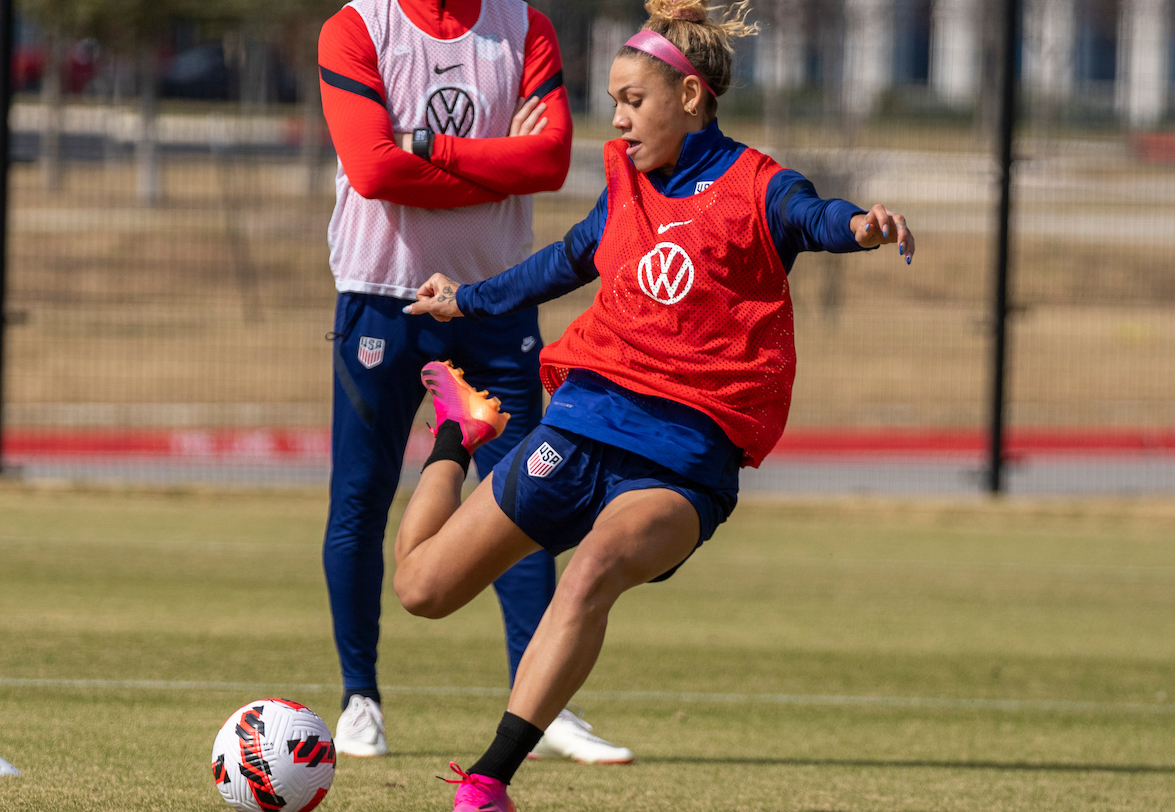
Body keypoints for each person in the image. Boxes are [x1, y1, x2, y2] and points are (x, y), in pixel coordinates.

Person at [393, 0, 917, 808]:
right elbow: (564, 262)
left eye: (633, 99)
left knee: (592, 569)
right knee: (422, 590)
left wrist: (865, 228)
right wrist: (466, 299)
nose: (618, 117)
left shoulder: (759, 186)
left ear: (692, 96)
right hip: (582, 423)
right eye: (614, 99)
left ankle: (488, 781)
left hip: (682, 458)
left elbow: (817, 220)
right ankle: (461, 433)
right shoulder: (624, 186)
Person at [316, 0, 633, 763]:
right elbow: (371, 168)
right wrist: (492, 162)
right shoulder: (356, 27)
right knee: (360, 496)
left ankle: (543, 703)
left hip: (492, 299)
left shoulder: (526, 27)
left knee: (526, 497)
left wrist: (422, 146)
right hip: (380, 296)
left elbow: (549, 164)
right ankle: (360, 696)